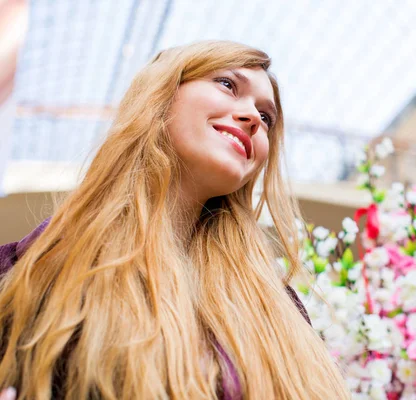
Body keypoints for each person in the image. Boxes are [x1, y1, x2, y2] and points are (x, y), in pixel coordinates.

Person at [0, 41, 350, 399]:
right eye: (228, 85)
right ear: (161, 94)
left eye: (267, 118)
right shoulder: (33, 266)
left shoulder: (276, 305)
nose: (253, 120)